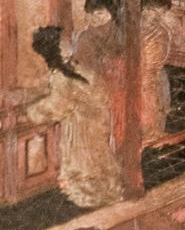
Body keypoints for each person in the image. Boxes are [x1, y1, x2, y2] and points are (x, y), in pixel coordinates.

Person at [23, 25, 122, 209]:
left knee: (84, 161)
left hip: (81, 125)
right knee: (97, 158)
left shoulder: (64, 73)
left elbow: (58, 105)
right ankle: (106, 193)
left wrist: (31, 112)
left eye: (67, 43)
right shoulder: (72, 68)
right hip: (95, 120)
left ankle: (91, 198)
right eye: (63, 44)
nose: (68, 46)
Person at [138, 0, 175, 136]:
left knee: (148, 125)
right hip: (132, 75)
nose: (155, 16)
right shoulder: (131, 26)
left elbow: (152, 65)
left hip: (150, 80)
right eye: (152, 10)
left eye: (161, 13)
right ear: (144, 8)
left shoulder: (160, 33)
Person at [73, 0, 124, 85]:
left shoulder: (121, 33)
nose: (94, 18)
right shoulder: (85, 38)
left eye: (100, 13)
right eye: (91, 13)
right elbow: (86, 71)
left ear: (111, 14)